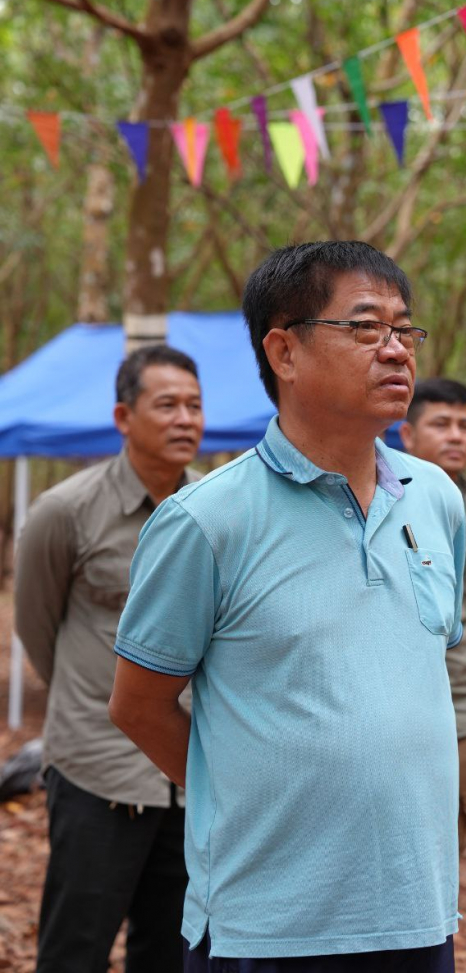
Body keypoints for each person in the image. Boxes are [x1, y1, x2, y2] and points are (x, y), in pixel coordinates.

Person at [109, 241, 466, 972]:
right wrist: (252, 795)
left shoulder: (436, 497)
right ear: (284, 352)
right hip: (269, 927)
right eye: (364, 328)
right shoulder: (206, 521)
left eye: (405, 330)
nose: (397, 350)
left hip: (418, 915)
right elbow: (138, 705)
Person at [15, 344, 204, 973]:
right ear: (124, 417)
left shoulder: (214, 510)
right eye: (167, 405)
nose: (185, 419)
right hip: (97, 771)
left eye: (195, 406)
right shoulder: (65, 511)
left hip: (189, 776)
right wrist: (96, 700)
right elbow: (37, 629)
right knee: (75, 950)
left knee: (171, 953)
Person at [400, 378, 466, 854]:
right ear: (408, 434)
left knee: (451, 834)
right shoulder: (379, 497)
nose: (456, 436)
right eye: (441, 424)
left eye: (465, 426)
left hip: (456, 699)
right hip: (389, 701)